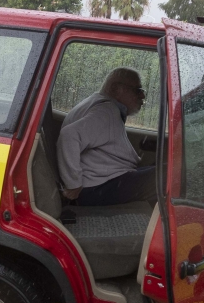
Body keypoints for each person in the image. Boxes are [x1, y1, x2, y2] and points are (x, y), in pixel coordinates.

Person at [57, 67, 155, 208]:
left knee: (163, 171)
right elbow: (69, 135)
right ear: (116, 89)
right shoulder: (106, 111)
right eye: (137, 90)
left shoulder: (95, 103)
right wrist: (73, 184)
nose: (142, 96)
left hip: (104, 181)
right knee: (169, 176)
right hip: (97, 188)